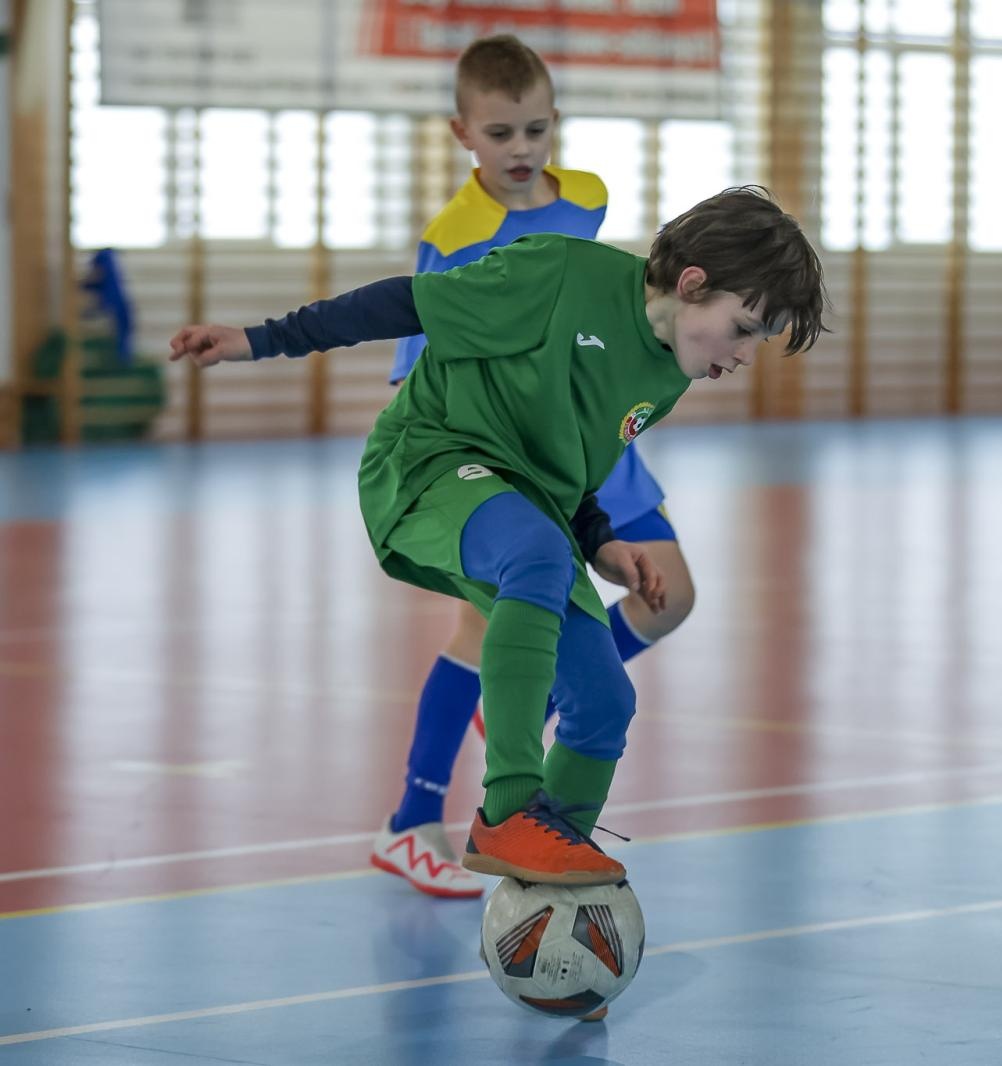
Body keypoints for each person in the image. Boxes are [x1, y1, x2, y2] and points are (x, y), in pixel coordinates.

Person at [170, 186, 828, 896]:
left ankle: (551, 885)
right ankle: (508, 810)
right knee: (538, 556)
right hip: (429, 461)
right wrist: (261, 339)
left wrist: (602, 544)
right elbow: (404, 304)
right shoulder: (558, 273)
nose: (745, 354)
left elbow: (572, 467)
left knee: (605, 700)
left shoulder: (670, 370)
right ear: (693, 284)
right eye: (746, 328)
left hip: (530, 507)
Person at [369, 35, 698, 899]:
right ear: (463, 135)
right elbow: (421, 353)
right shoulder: (455, 236)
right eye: (502, 133)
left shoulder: (586, 196)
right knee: (484, 631)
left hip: (598, 440)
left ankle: (543, 699)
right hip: (508, 449)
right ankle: (413, 818)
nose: (521, 151)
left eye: (537, 131)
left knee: (674, 596)